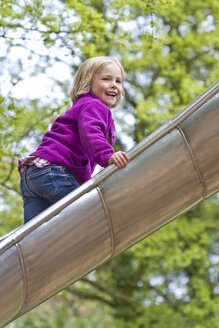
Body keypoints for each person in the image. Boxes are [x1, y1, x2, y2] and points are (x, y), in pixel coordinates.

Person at [19, 56, 129, 223]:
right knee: (89, 216)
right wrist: (108, 155)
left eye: (118, 81)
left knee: (32, 237)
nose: (114, 85)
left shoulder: (81, 106)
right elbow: (91, 133)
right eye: (106, 79)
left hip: (33, 173)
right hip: (54, 172)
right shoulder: (94, 105)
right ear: (88, 82)